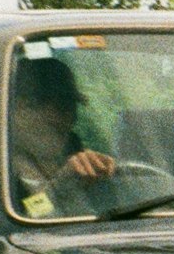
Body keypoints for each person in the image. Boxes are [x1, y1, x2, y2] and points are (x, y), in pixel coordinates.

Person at [10, 53, 118, 217]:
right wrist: (58, 189)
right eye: (58, 106)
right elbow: (22, 219)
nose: (64, 119)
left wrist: (108, 175)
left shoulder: (75, 153)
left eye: (69, 106)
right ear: (17, 110)